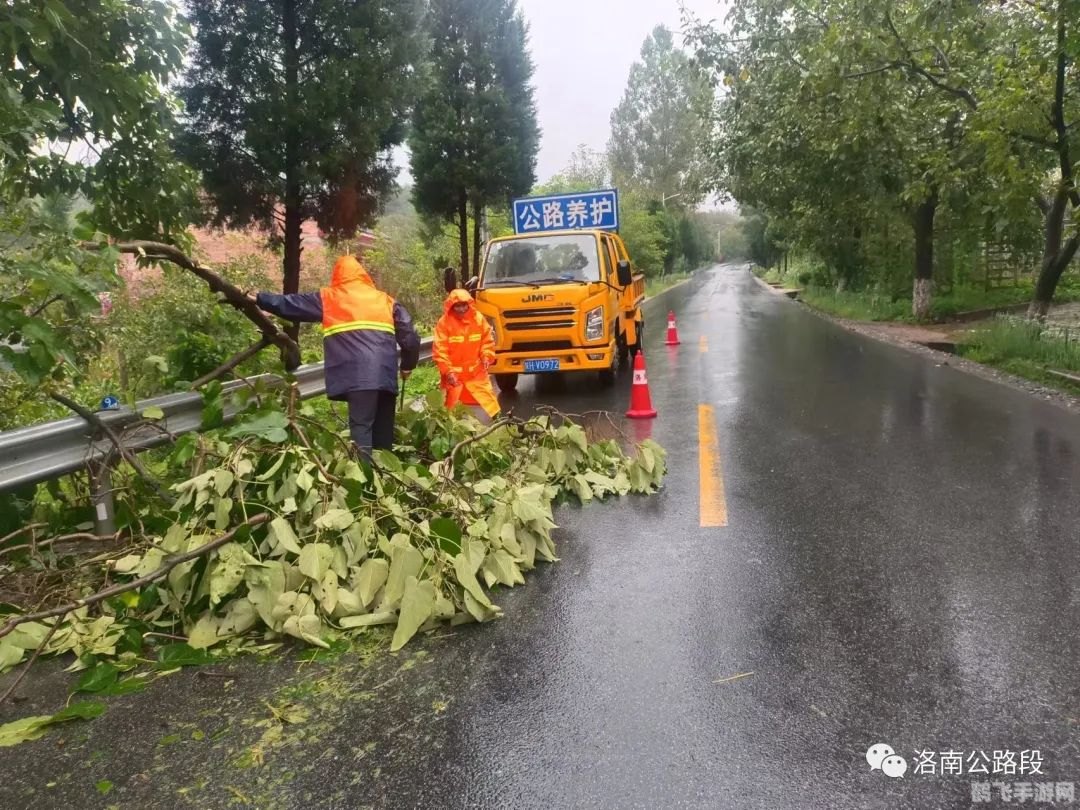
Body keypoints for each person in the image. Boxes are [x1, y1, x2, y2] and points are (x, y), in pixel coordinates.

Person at [252, 255, 420, 459]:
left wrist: (259, 298)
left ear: (337, 275)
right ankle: (386, 474)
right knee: (383, 432)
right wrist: (408, 365)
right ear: (363, 275)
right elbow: (410, 337)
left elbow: (290, 304)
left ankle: (364, 476)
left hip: (358, 379)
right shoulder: (385, 300)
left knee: (362, 428)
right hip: (385, 376)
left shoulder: (331, 298)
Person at [432, 288, 501, 420]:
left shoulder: (478, 319)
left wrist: (486, 356)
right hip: (454, 378)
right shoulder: (444, 323)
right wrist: (448, 372)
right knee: (450, 413)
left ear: (469, 304)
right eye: (457, 306)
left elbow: (487, 340)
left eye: (464, 305)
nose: (462, 309)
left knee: (492, 406)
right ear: (451, 306)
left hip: (476, 373)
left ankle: (502, 424)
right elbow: (440, 350)